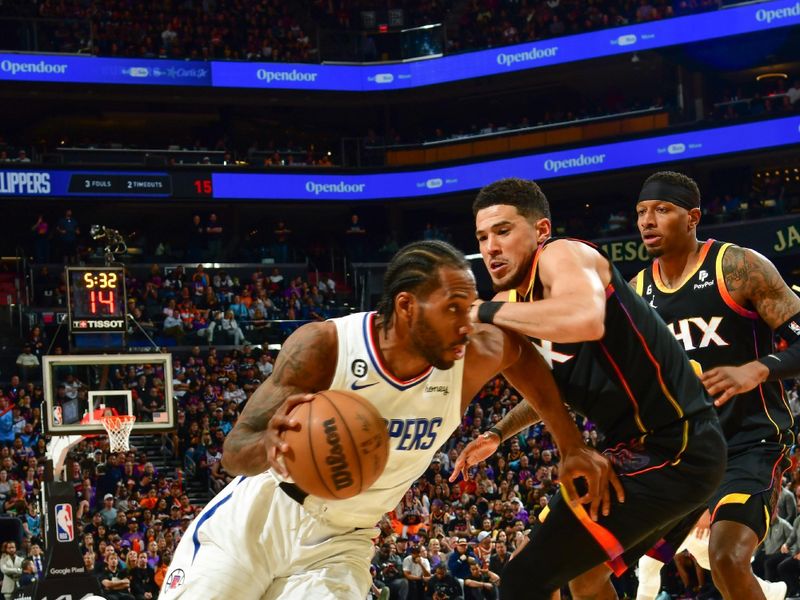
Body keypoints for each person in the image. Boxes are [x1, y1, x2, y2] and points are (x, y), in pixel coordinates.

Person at [161, 239, 613, 599]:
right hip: (259, 519)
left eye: (471, 306)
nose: (467, 321)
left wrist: (570, 444)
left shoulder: (474, 351)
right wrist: (270, 446)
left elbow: (522, 355)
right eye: (453, 307)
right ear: (407, 307)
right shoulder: (325, 347)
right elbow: (233, 453)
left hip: (341, 541)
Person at [453, 177, 726, 599]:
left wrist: (482, 310)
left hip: (678, 445)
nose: (490, 247)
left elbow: (584, 317)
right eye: (482, 237)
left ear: (541, 230)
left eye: (504, 231)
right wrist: (499, 433)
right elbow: (540, 381)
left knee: (524, 580)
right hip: (638, 448)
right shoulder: (516, 305)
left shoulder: (563, 255)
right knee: (585, 577)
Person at [631, 171, 800, 600]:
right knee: (607, 555)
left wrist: (758, 369)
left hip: (751, 441)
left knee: (726, 556)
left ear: (692, 218)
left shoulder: (739, 267)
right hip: (685, 451)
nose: (648, 221)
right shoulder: (636, 292)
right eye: (641, 212)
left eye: (662, 210)